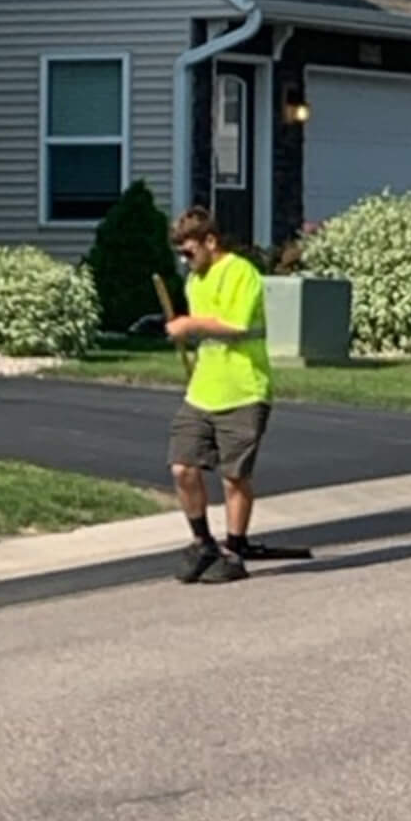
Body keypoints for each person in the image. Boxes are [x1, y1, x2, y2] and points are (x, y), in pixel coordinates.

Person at [165, 207, 273, 584]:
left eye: (189, 251)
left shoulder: (241, 272)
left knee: (234, 476)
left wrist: (189, 324)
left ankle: (234, 550)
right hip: (202, 390)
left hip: (243, 389)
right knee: (183, 466)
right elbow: (204, 331)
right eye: (180, 253)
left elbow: (235, 324)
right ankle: (202, 542)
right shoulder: (195, 281)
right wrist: (187, 332)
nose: (185, 260)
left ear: (210, 241)